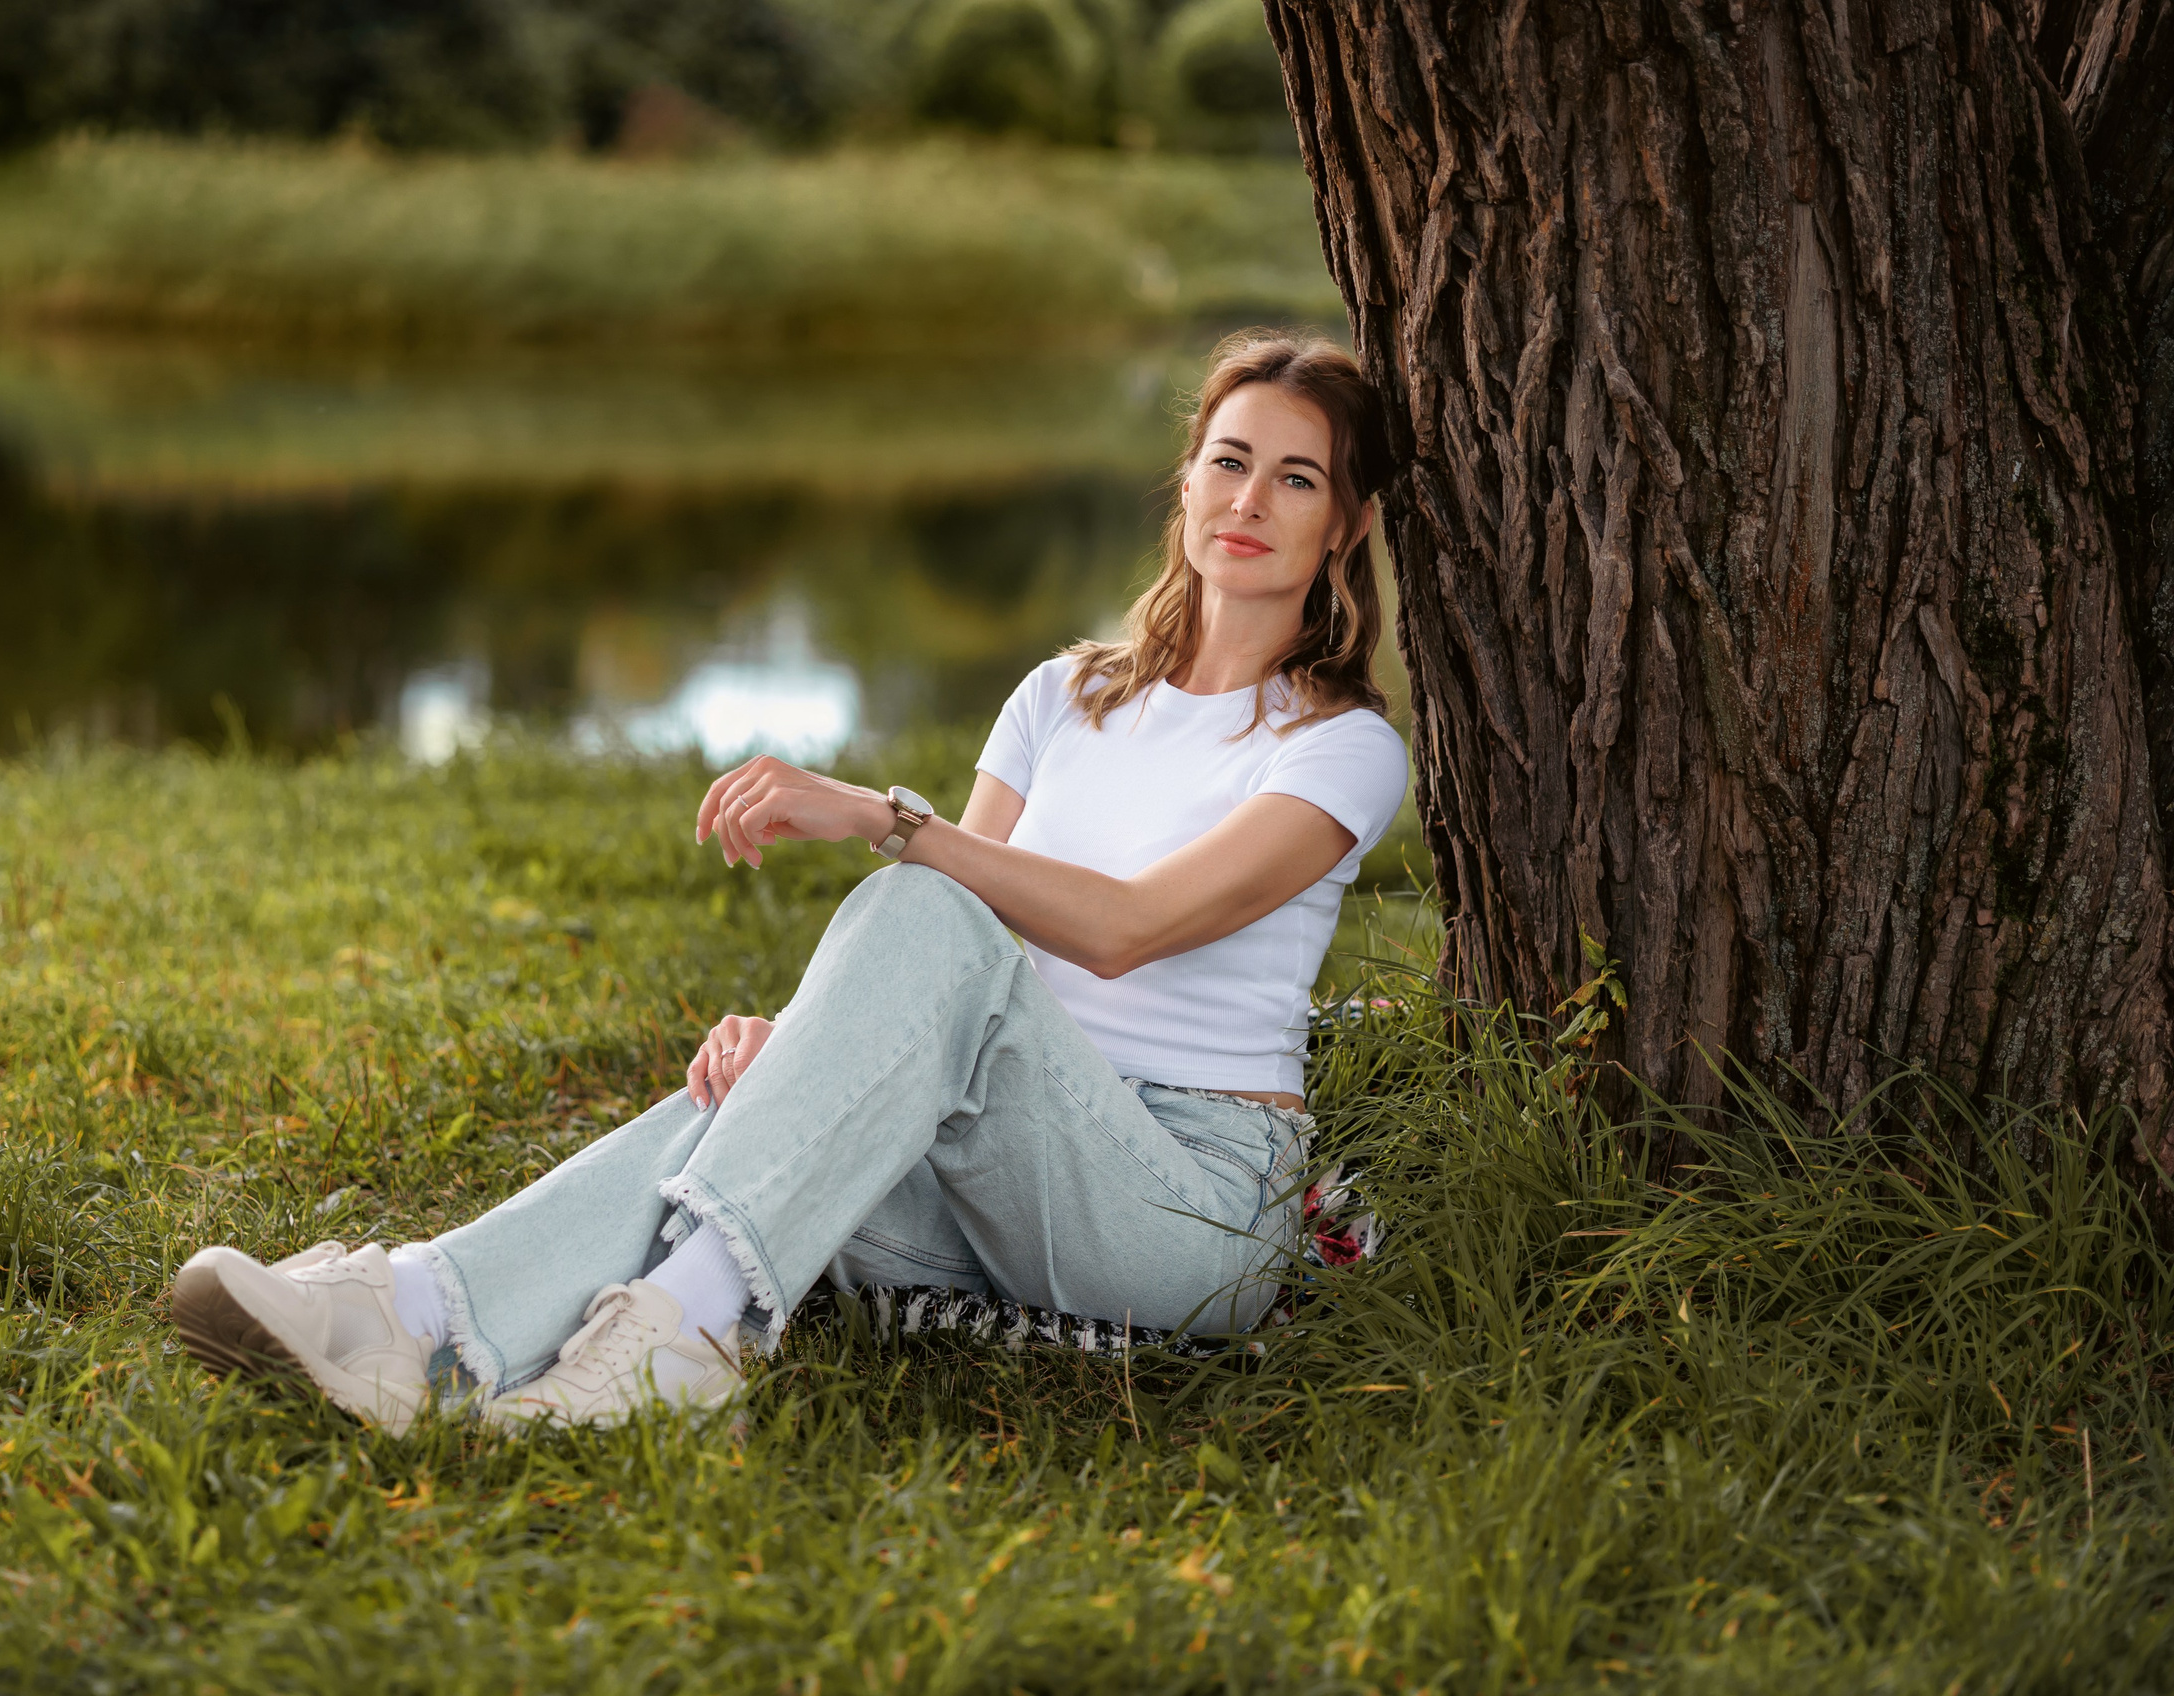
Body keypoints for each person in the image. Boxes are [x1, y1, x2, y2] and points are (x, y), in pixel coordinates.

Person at [170, 331, 1412, 1434]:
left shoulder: (1338, 747)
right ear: (1187, 478)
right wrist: (819, 1043)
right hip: (993, 1169)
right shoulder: (1064, 694)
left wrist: (883, 815)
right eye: (1228, 460)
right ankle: (413, 1315)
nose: (1249, 499)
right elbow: (960, 950)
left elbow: (1127, 930)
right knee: (755, 1100)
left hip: (1182, 1211)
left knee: (921, 893)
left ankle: (671, 1334)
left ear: (1345, 525)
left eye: (1296, 477)